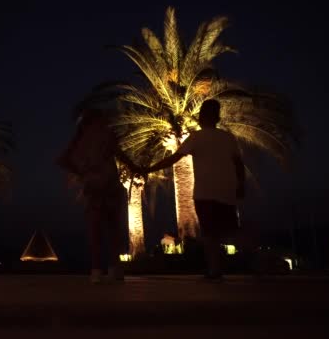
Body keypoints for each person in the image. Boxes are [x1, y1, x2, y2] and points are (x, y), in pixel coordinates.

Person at [145, 99, 245, 281]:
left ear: (203, 117)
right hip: (227, 190)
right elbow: (239, 165)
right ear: (217, 117)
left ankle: (215, 270)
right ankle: (249, 262)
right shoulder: (227, 138)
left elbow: (173, 159)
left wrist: (148, 169)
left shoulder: (197, 138)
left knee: (210, 232)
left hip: (205, 192)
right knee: (229, 230)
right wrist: (241, 186)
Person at [57, 108, 143, 284]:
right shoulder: (106, 134)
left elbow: (63, 160)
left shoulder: (80, 139)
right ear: (98, 120)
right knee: (113, 228)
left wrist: (82, 173)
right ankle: (114, 269)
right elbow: (120, 154)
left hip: (93, 186)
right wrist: (136, 168)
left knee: (95, 229)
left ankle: (97, 271)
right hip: (110, 184)